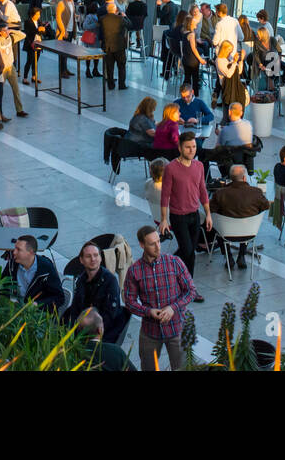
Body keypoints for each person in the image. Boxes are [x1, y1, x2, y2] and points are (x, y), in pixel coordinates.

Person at [123, 225, 197, 371]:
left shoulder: (175, 263)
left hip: (176, 329)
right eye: (152, 244)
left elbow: (191, 291)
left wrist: (173, 308)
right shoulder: (134, 271)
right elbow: (129, 302)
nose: (158, 247)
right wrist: (148, 311)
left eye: (158, 241)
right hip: (150, 332)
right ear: (142, 245)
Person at [158, 135, 211, 298]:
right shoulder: (171, 168)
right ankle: (188, 288)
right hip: (178, 216)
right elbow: (165, 195)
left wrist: (208, 214)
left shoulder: (199, 166)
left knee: (189, 252)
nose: (192, 150)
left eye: (194, 147)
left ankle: (187, 286)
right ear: (180, 148)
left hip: (194, 215)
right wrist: (164, 219)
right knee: (188, 251)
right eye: (188, 147)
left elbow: (202, 190)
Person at [63, 241, 128, 344]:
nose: (93, 259)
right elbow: (75, 308)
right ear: (81, 260)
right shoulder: (81, 280)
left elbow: (110, 315)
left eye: (96, 255)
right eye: (88, 256)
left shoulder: (110, 281)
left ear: (100, 258)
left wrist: (87, 334)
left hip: (103, 332)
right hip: (83, 329)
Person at [209, 164, 271, 269]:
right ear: (244, 177)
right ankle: (241, 255)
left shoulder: (220, 193)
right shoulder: (256, 192)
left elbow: (211, 210)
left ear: (230, 178)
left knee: (218, 225)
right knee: (246, 220)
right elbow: (265, 206)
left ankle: (228, 256)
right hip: (249, 233)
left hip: (226, 234)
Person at [1, 235, 65, 311]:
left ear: (30, 252)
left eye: (18, 249)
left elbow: (59, 297)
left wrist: (37, 304)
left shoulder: (46, 267)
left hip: (38, 315)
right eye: (15, 248)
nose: (14, 252)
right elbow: (2, 285)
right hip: (15, 310)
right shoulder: (12, 264)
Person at [214, 101, 256, 176]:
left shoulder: (225, 131)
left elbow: (217, 148)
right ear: (241, 113)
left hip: (230, 161)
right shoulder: (248, 125)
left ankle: (224, 177)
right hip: (244, 158)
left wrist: (220, 134)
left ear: (229, 112)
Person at [0, 27, 28, 119]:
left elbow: (23, 35)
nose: (6, 32)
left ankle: (19, 110)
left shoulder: (11, 38)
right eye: (4, 30)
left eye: (7, 29)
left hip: (11, 67)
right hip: (2, 69)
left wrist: (12, 30)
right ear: (0, 32)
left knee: (16, 89)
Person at [99, 0, 128, 90]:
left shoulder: (102, 19)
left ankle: (110, 85)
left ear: (108, 10)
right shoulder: (120, 19)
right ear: (115, 10)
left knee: (109, 67)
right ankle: (121, 85)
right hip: (119, 47)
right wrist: (125, 16)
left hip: (107, 47)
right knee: (121, 66)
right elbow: (130, 25)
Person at [215, 40, 247, 109]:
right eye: (229, 50)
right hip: (227, 88)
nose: (230, 52)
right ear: (224, 49)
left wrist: (241, 60)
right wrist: (234, 62)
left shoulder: (228, 59)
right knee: (228, 111)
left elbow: (239, 71)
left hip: (234, 86)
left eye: (231, 50)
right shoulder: (219, 60)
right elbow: (229, 74)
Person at [54, 0, 76, 79]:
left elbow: (72, 14)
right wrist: (63, 30)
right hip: (64, 30)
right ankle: (62, 71)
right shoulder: (61, 3)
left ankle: (65, 69)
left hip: (70, 29)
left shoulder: (72, 2)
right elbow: (58, 18)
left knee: (67, 51)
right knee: (62, 51)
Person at [181, 14, 206, 90]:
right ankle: (195, 95)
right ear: (190, 24)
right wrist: (200, 59)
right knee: (195, 79)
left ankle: (184, 92)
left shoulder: (184, 32)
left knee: (187, 78)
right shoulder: (192, 34)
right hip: (192, 61)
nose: (195, 27)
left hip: (185, 59)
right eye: (194, 25)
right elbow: (194, 49)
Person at [22, 6, 47, 84]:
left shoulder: (39, 21)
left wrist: (43, 30)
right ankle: (25, 78)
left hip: (38, 43)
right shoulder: (28, 22)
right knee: (29, 60)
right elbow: (28, 33)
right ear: (32, 14)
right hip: (31, 44)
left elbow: (42, 33)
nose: (38, 16)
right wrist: (37, 30)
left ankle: (34, 76)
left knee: (35, 61)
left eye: (39, 14)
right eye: (37, 14)